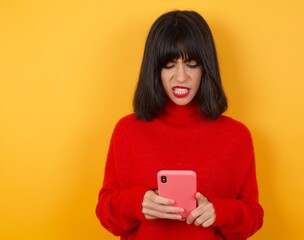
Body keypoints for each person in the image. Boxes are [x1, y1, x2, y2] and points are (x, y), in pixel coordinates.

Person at [96, 10, 263, 240]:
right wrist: (136, 203)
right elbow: (106, 214)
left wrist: (220, 211)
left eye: (192, 64)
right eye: (169, 65)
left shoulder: (237, 135)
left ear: (206, 68)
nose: (181, 77)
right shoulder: (127, 131)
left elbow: (253, 217)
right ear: (155, 69)